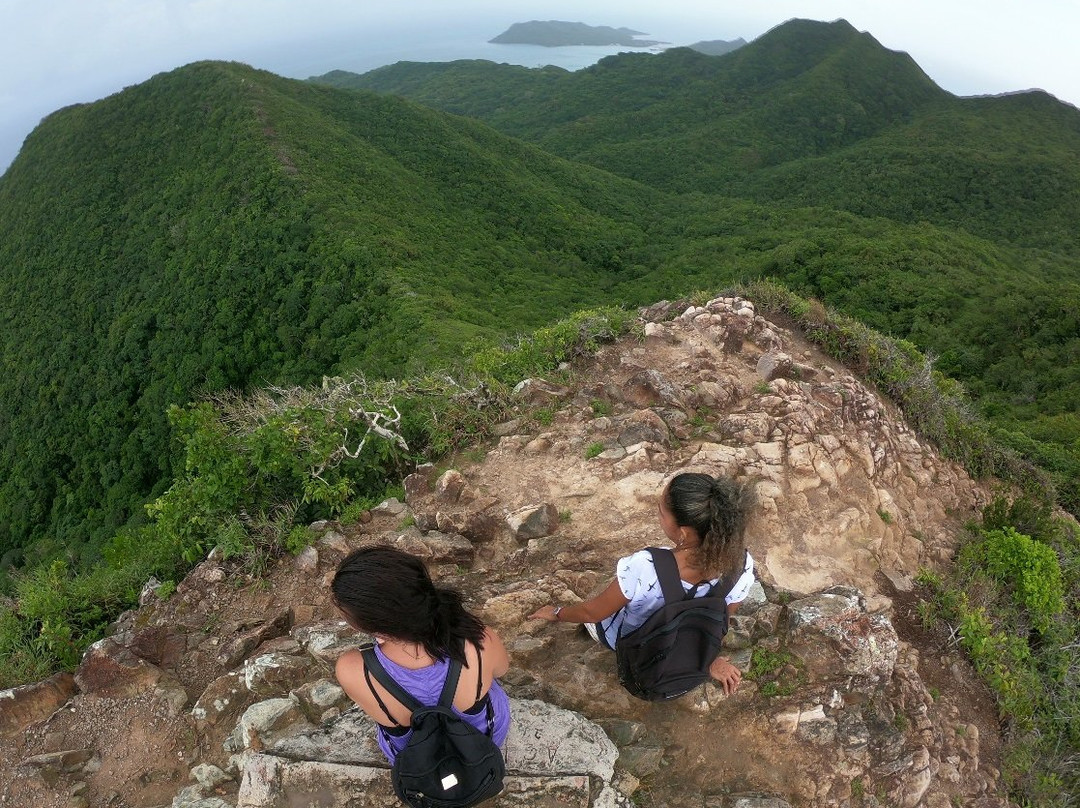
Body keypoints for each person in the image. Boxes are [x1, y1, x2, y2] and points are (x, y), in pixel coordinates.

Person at [529, 472, 756, 694]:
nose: (658, 516)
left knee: (608, 597)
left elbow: (592, 613)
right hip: (691, 652)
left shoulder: (645, 567)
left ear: (684, 533)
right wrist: (709, 659)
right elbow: (722, 619)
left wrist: (557, 612)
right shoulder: (741, 565)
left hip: (640, 649)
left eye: (661, 512)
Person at [332, 546, 511, 762]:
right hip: (484, 743)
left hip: (419, 762)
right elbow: (502, 669)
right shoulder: (478, 640)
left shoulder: (352, 669)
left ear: (372, 625)